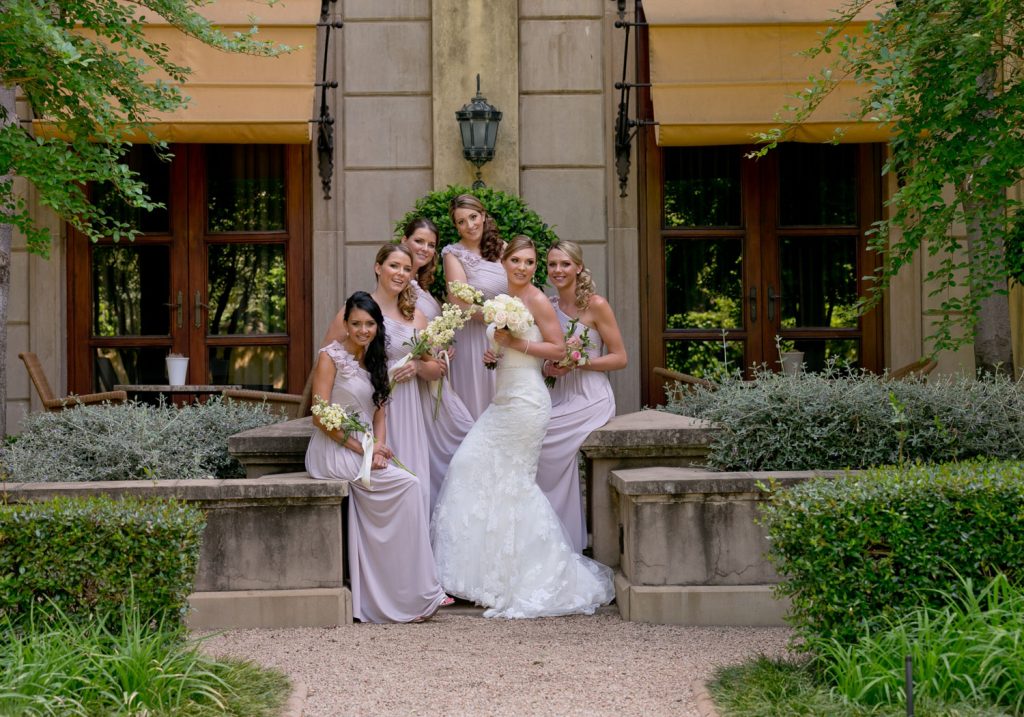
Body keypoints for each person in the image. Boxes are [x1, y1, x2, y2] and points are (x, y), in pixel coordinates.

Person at [431, 236, 615, 619]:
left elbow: (560, 349)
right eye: (516, 260)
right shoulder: (499, 303)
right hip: (503, 400)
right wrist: (494, 354)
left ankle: (523, 575)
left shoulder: (537, 301)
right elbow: (507, 348)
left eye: (530, 262)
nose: (523, 267)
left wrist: (517, 343)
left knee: (513, 483)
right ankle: (479, 575)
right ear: (504, 262)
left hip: (528, 403)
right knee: (469, 467)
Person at [304, 291, 451, 623]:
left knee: (409, 487)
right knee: (407, 485)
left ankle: (412, 592)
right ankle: (399, 596)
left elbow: (380, 413)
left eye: (369, 324)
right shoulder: (329, 357)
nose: (362, 330)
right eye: (356, 324)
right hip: (334, 448)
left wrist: (379, 449)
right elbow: (319, 415)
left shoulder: (375, 359)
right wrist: (363, 450)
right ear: (345, 324)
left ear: (377, 326)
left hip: (366, 448)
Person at [537, 240, 628, 553]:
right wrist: (549, 367)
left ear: (578, 267)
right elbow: (545, 358)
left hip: (591, 397)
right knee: (535, 440)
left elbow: (620, 358)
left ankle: (565, 541)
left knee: (542, 437)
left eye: (564, 264)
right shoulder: (547, 306)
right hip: (559, 394)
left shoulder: (596, 305)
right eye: (552, 265)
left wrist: (581, 362)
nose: (558, 270)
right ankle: (548, 538)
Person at [401, 218, 476, 512]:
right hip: (417, 380)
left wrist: (440, 349)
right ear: (405, 239)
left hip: (433, 375)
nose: (425, 249)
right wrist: (430, 354)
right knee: (458, 440)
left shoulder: (420, 285)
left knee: (454, 445)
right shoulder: (400, 282)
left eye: (431, 245)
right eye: (419, 241)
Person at [369, 242, 446, 517]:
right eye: (394, 266)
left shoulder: (416, 316)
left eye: (406, 268)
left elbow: (436, 368)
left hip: (409, 409)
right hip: (373, 406)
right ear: (378, 268)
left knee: (414, 483)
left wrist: (416, 366)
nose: (400, 273)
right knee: (381, 484)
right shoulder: (359, 309)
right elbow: (331, 356)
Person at [442, 194, 508, 419]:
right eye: (461, 221)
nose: (470, 225)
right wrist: (502, 318)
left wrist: (513, 324)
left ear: (483, 215)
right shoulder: (453, 255)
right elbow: (460, 304)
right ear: (456, 227)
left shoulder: (504, 249)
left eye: (473, 217)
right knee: (478, 404)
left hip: (505, 338)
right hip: (473, 340)